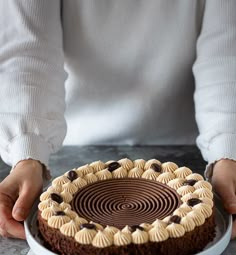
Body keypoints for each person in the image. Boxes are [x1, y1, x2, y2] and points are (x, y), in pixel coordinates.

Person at [0, 0, 236, 240]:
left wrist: (228, 149)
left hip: (193, 151)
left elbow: (227, 52)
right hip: (69, 145)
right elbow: (28, 49)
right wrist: (27, 151)